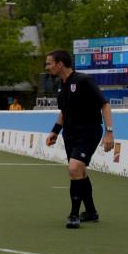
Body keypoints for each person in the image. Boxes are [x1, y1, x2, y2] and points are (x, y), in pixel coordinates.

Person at [44, 49, 115, 228]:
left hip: (88, 132)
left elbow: (104, 104)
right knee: (79, 172)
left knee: (74, 168)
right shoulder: (62, 85)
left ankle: (74, 215)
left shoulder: (83, 80)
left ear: (60, 64)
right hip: (70, 134)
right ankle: (91, 212)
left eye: (49, 63)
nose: (47, 67)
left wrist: (109, 132)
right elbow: (64, 112)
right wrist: (54, 131)